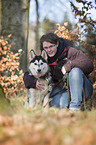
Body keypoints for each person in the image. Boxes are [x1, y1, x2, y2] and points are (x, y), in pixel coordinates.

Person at [23, 33, 94, 111]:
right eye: (46, 48)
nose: (49, 50)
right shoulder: (45, 59)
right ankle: (75, 108)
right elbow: (29, 73)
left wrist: (69, 65)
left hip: (82, 88)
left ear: (57, 44)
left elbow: (89, 64)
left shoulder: (70, 52)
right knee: (56, 105)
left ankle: (75, 108)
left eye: (51, 46)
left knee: (75, 71)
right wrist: (33, 82)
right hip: (63, 90)